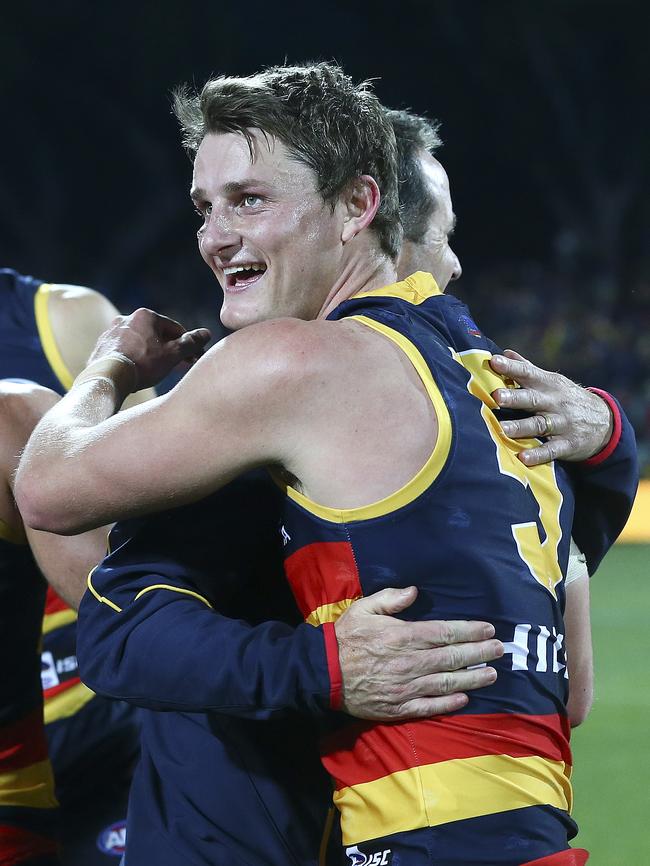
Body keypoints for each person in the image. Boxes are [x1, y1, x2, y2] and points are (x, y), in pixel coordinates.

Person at [16, 65, 638, 865]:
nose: (213, 235)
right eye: (206, 208)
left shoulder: (291, 366)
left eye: (250, 200)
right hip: (525, 832)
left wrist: (108, 371)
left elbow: (52, 501)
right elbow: (571, 684)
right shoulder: (510, 390)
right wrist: (614, 435)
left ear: (359, 208)